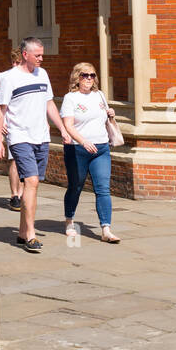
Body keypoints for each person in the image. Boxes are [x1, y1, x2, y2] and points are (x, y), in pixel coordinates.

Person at [0, 37, 96, 253]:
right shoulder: (8, 78)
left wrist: (63, 129)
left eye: (42, 55)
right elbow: (0, 110)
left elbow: (49, 104)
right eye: (37, 55)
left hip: (42, 136)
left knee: (33, 184)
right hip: (20, 136)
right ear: (25, 55)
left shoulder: (43, 74)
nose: (41, 58)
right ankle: (30, 234)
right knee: (31, 182)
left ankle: (22, 232)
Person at [61, 63, 121, 244]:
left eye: (92, 75)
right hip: (78, 150)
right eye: (85, 75)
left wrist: (111, 114)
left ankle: (106, 229)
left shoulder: (99, 95)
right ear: (77, 77)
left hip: (101, 148)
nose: (89, 79)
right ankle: (70, 221)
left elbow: (104, 119)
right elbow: (68, 125)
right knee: (75, 186)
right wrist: (83, 141)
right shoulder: (70, 98)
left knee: (103, 188)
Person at [0, 47, 24, 211]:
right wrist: (0, 122)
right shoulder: (4, 76)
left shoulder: (32, 75)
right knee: (14, 159)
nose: (14, 65)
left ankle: (23, 193)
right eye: (13, 61)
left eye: (18, 62)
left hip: (27, 125)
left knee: (25, 161)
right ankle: (15, 195)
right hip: (10, 124)